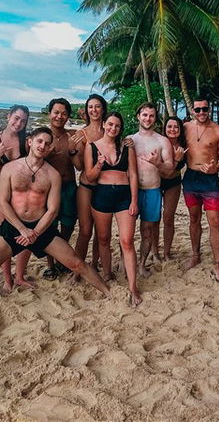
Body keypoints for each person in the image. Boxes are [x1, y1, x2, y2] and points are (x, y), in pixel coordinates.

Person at [0, 127, 109, 309]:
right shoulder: (10, 169)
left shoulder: (52, 174)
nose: (42, 146)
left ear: (50, 147)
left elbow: (52, 210)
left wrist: (35, 232)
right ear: (30, 142)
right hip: (14, 227)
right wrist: (22, 229)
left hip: (42, 229)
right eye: (39, 141)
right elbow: (3, 202)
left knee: (77, 263)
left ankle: (109, 293)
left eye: (47, 143)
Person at [86, 111, 142, 306]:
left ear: (120, 129)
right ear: (103, 124)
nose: (113, 128)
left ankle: (133, 286)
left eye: (117, 126)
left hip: (124, 196)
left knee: (127, 241)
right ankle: (108, 274)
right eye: (110, 124)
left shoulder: (126, 147)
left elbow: (133, 175)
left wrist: (134, 200)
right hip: (101, 195)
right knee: (103, 238)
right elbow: (90, 176)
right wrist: (100, 163)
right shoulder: (92, 147)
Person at [183, 95, 219, 282]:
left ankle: (217, 263)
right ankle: (196, 255)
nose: (201, 112)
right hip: (190, 178)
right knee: (194, 218)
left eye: (205, 109)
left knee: (214, 222)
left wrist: (215, 167)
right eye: (198, 109)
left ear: (209, 109)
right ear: (192, 111)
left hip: (210, 180)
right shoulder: (185, 128)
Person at [0, 104, 30, 293]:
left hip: (22, 191)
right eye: (16, 118)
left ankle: (19, 276)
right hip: (1, 190)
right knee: (5, 233)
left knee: (27, 231)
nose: (18, 123)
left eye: (23, 120)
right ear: (8, 116)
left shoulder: (25, 140)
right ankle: (7, 279)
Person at [41, 97, 85, 279]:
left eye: (64, 113)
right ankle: (50, 265)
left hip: (69, 187)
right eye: (56, 112)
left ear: (68, 116)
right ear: (49, 113)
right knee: (48, 227)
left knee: (68, 225)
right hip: (47, 189)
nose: (59, 116)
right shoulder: (42, 137)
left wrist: (73, 150)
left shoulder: (72, 135)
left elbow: (79, 166)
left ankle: (60, 259)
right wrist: (46, 154)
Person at [130, 102, 174, 278]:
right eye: (144, 115)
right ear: (138, 116)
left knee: (147, 231)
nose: (147, 118)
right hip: (131, 191)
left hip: (152, 190)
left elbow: (170, 168)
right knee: (128, 231)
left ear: (155, 119)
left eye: (151, 116)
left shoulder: (162, 141)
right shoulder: (130, 139)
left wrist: (157, 163)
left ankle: (141, 264)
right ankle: (128, 262)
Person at [71, 94, 107, 270]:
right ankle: (79, 269)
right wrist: (72, 153)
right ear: (86, 110)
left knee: (101, 233)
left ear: (103, 108)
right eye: (90, 107)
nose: (94, 110)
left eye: (97, 106)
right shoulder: (81, 133)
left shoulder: (110, 129)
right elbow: (79, 167)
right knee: (85, 231)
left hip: (105, 187)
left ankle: (94, 264)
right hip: (86, 186)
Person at [159, 116, 187, 260]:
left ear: (180, 129)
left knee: (168, 217)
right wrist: (176, 159)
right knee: (154, 219)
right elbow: (166, 171)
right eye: (169, 127)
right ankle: (154, 251)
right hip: (157, 181)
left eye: (176, 127)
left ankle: (166, 252)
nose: (173, 130)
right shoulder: (159, 143)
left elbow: (172, 172)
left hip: (173, 183)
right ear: (165, 129)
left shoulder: (184, 146)